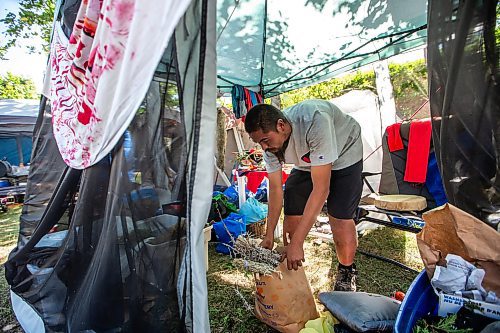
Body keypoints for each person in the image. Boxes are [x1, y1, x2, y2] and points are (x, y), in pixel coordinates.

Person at [244, 100, 363, 291]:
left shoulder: (315, 120)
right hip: (308, 162)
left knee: (339, 217)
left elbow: (321, 189)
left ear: (281, 125)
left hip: (345, 155)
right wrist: (268, 236)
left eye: (265, 141)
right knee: (292, 210)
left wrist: (298, 242)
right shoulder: (270, 146)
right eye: (259, 143)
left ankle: (346, 272)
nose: (264, 148)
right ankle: (293, 268)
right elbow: (275, 189)